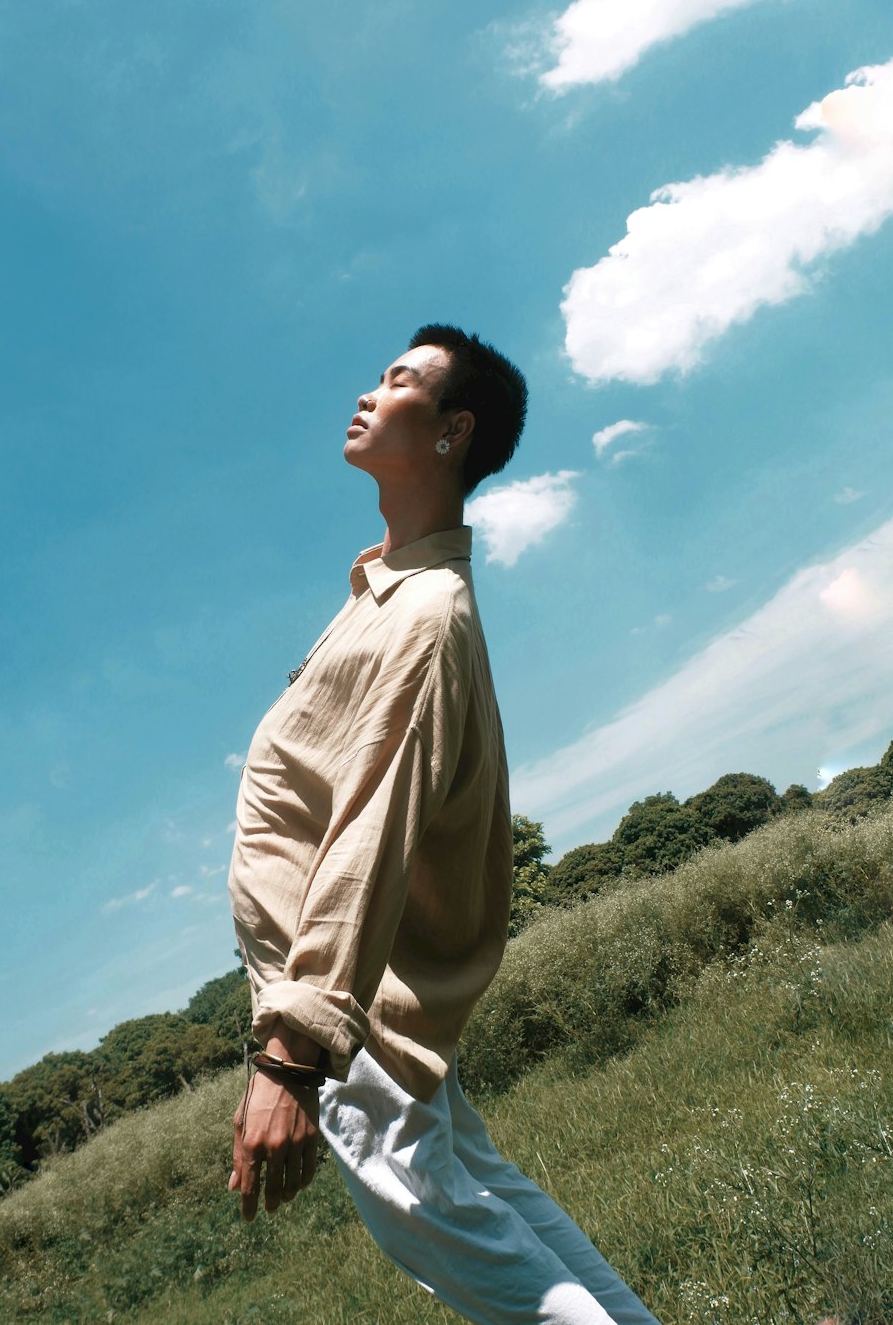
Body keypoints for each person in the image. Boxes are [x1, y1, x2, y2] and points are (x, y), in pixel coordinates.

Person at [228, 324, 661, 1325]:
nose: (369, 393)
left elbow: (371, 824)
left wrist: (294, 1049)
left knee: (455, 1236)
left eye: (400, 382)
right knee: (489, 1201)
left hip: (344, 1001)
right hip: (353, 992)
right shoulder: (387, 595)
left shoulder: (424, 615)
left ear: (449, 431)